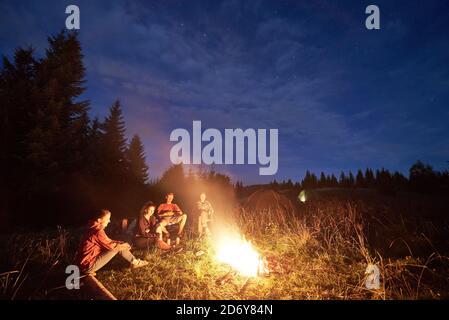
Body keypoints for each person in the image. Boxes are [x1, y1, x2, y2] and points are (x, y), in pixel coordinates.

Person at [76, 209, 148, 275]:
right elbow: (112, 246)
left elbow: (107, 241)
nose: (109, 221)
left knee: (119, 245)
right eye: (107, 219)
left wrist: (121, 243)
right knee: (117, 248)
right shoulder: (97, 231)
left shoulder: (92, 227)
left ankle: (134, 262)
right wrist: (123, 246)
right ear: (99, 220)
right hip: (88, 266)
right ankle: (135, 263)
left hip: (83, 263)